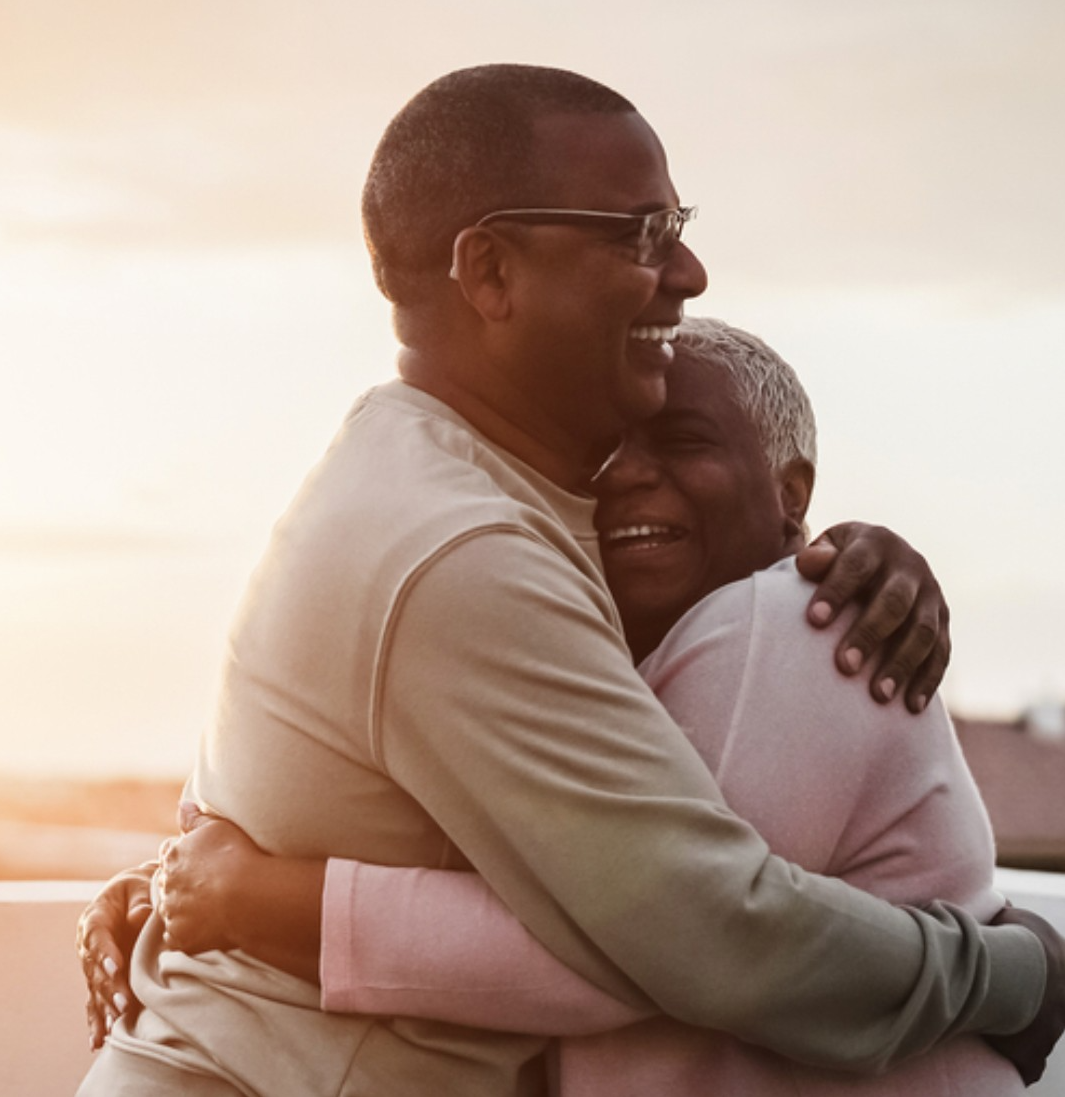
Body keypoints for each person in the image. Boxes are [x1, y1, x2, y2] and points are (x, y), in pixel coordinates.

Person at [74, 65, 1062, 1097]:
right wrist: (1015, 970)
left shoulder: (440, 475)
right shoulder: (459, 548)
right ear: (492, 272)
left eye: (675, 223)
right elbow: (709, 936)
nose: (688, 269)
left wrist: (844, 547)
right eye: (638, 233)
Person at [147, 317, 1026, 1095]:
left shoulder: (797, 626)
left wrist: (259, 899)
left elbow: (651, 945)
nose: (628, 477)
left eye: (680, 442)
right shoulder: (620, 659)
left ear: (790, 493)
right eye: (606, 455)